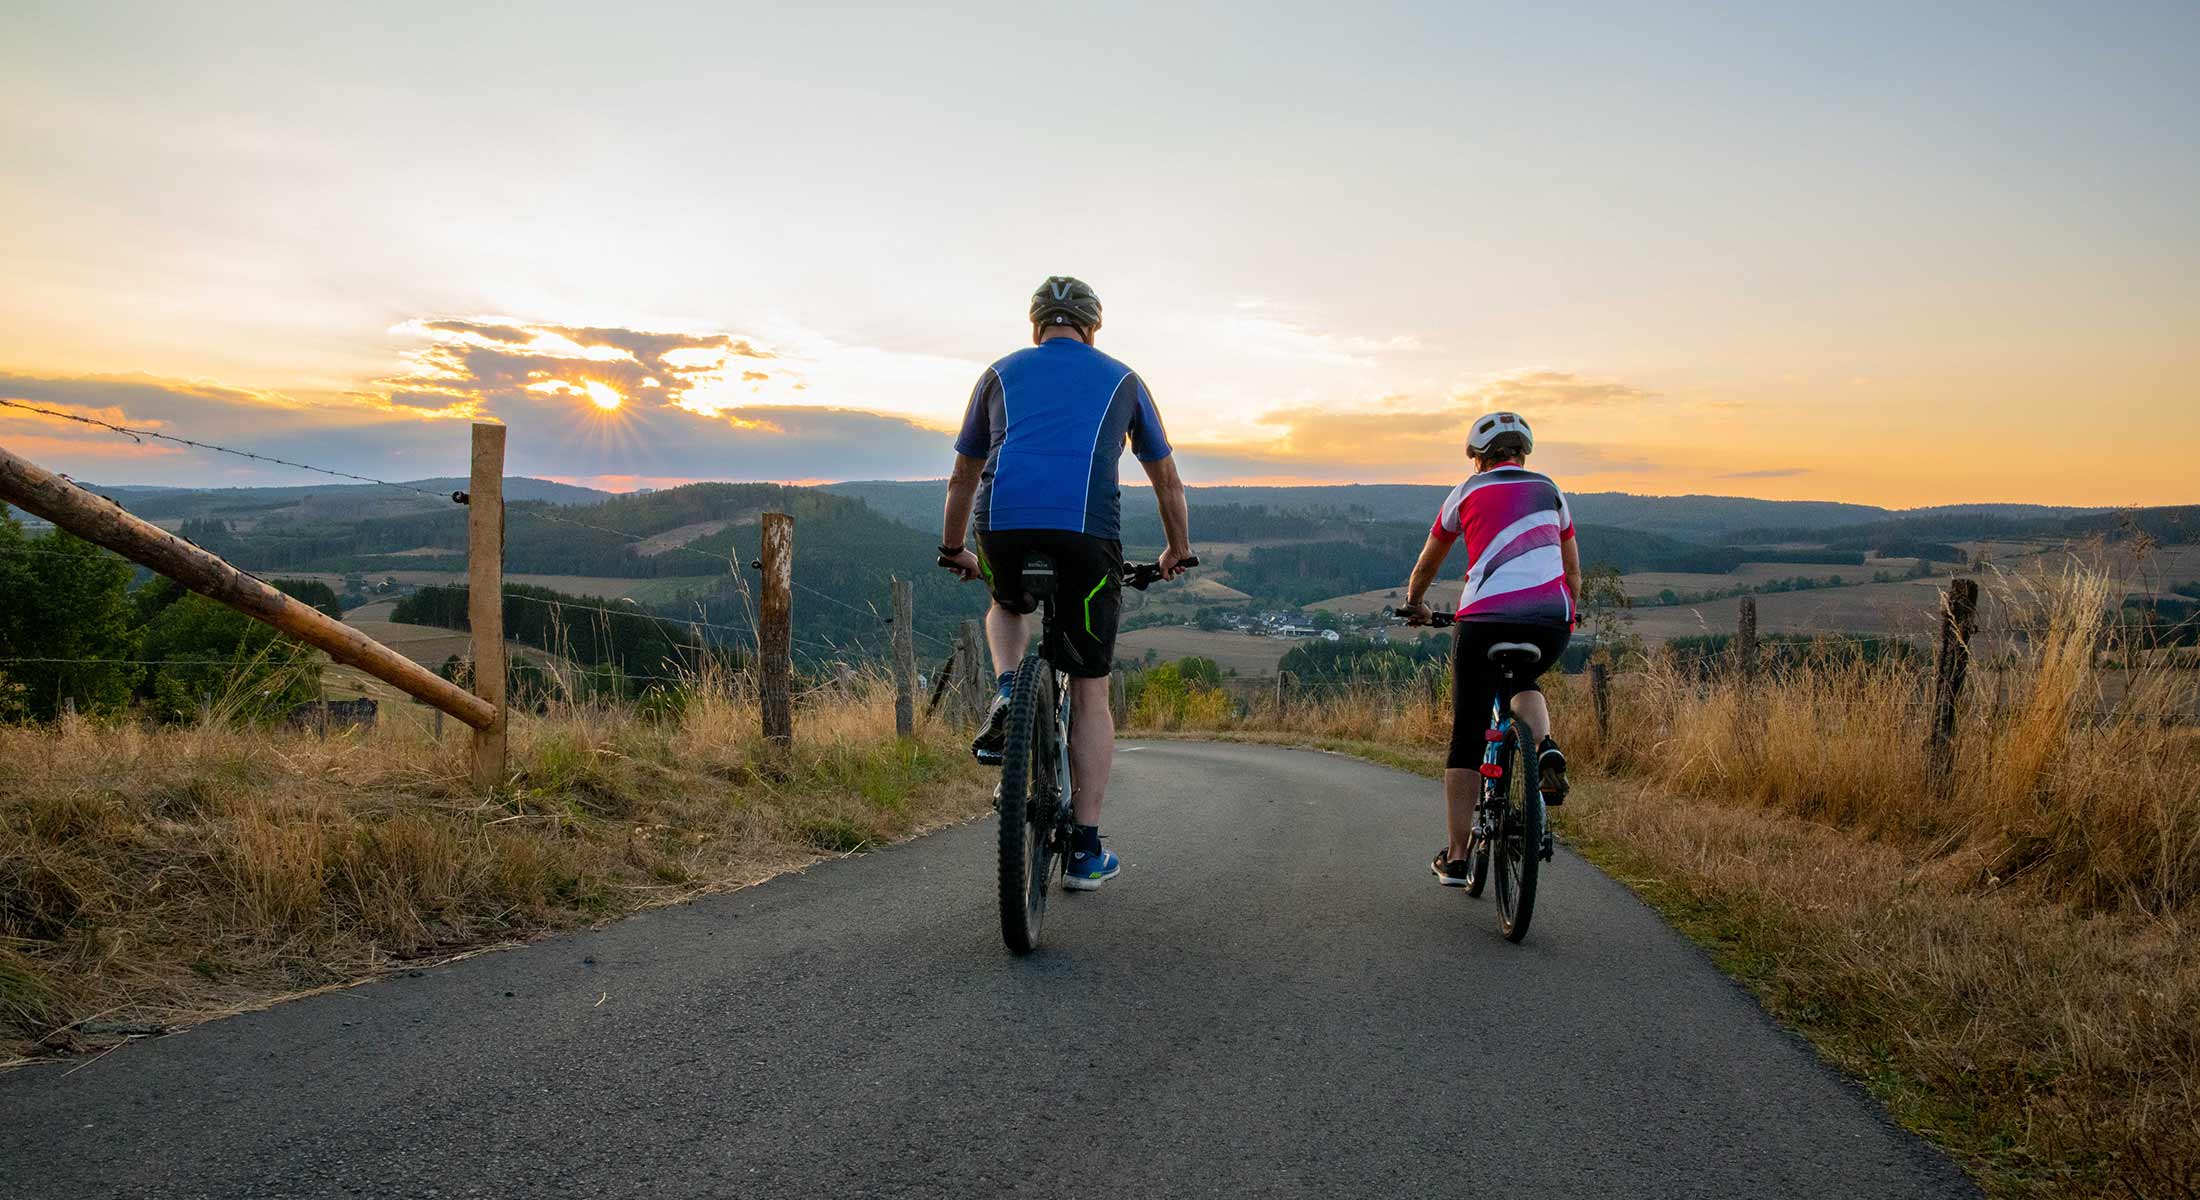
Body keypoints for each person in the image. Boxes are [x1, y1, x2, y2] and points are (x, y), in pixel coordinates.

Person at [938, 275, 1193, 891]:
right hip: (1087, 535)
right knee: (1090, 691)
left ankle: (1006, 691)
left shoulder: (998, 374)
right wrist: (1177, 550)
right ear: (1092, 327)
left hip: (1002, 526)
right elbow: (1167, 481)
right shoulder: (1123, 379)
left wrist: (955, 550)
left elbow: (963, 477)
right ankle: (1084, 850)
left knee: (1005, 604)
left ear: (1036, 325)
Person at [1399, 411, 1580, 885]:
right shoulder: (1551, 491)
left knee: (1468, 733)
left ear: (1478, 459)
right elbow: (1572, 570)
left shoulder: (1465, 492)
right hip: (1549, 619)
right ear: (1523, 453)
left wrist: (1415, 604)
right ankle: (1544, 746)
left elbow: (1425, 566)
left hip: (1483, 619)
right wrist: (1567, 615)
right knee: (1524, 679)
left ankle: (1457, 857)